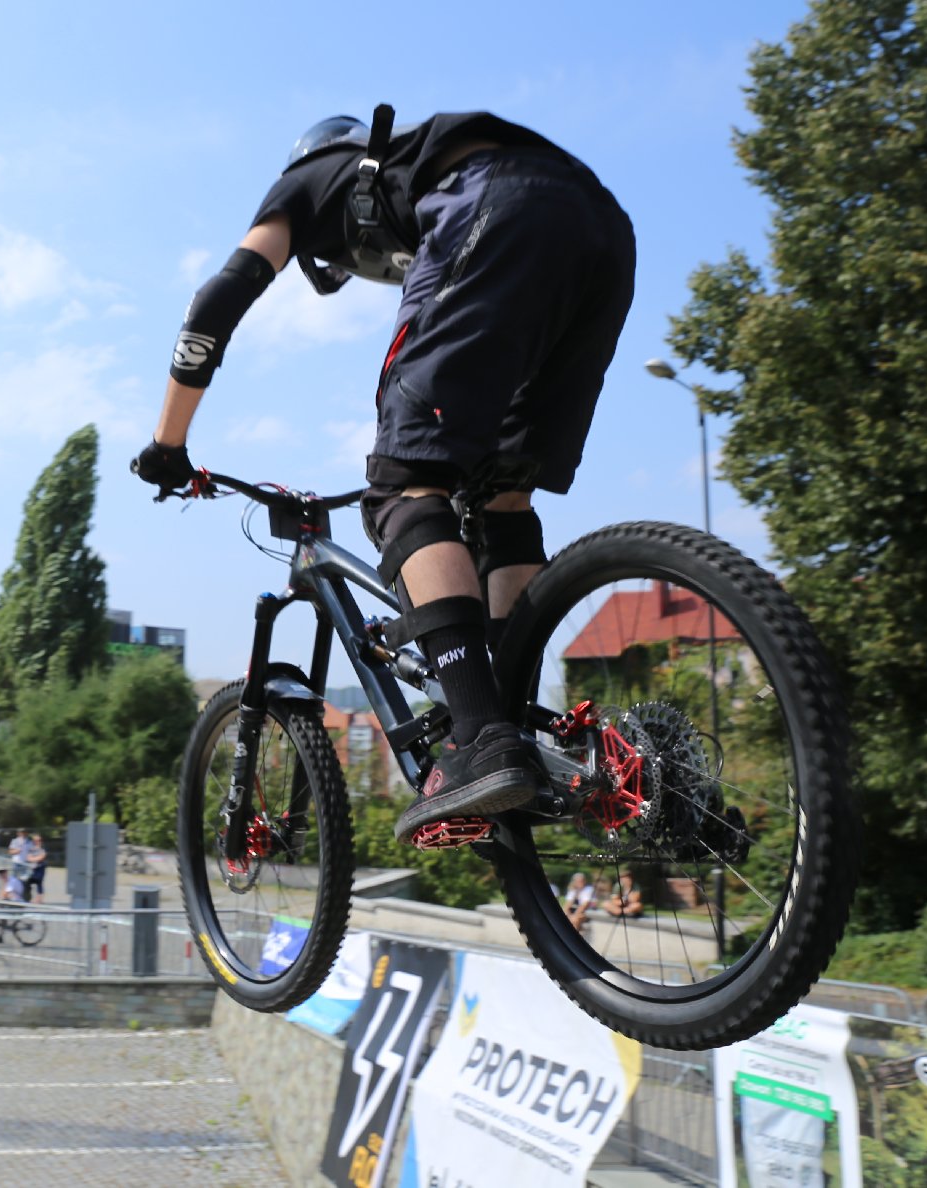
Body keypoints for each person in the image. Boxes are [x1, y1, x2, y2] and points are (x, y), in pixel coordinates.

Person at [131, 107, 634, 844]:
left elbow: (217, 299)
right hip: (601, 231)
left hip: (494, 204)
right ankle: (524, 732)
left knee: (404, 486)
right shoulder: (399, 163)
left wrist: (167, 443)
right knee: (499, 497)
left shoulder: (302, 183)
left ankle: (480, 738)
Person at [24, 834, 48, 904]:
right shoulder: (31, 849)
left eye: (38, 840)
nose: (37, 842)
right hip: (32, 868)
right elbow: (28, 858)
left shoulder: (43, 848)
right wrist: (36, 859)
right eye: (35, 840)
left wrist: (34, 859)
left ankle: (39, 900)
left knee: (39, 883)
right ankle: (28, 898)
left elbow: (42, 857)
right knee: (28, 883)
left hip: (40, 868)